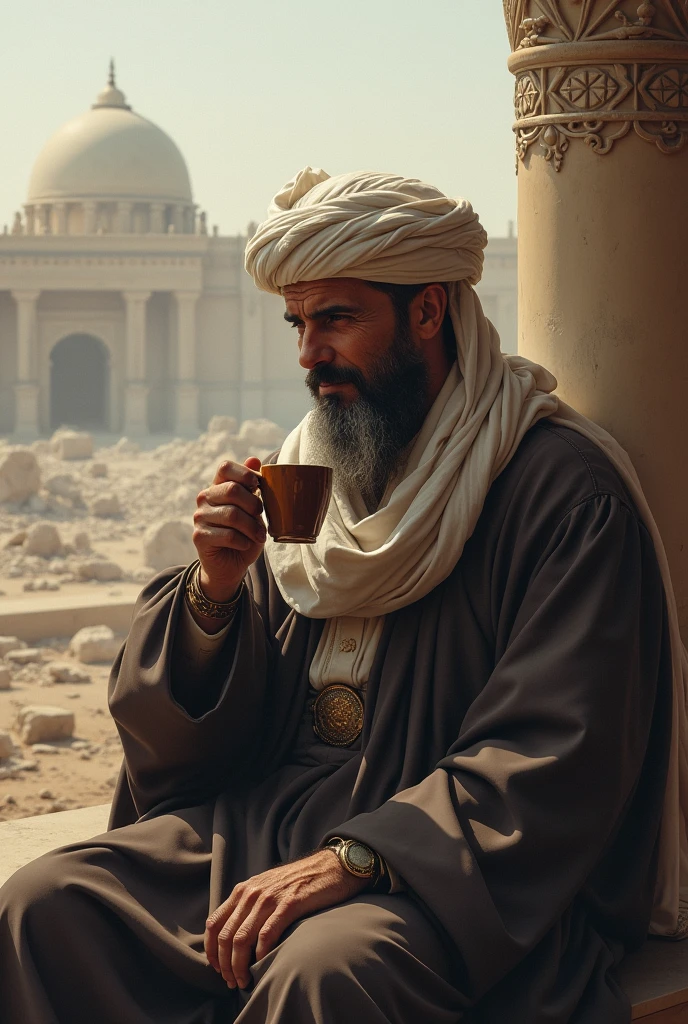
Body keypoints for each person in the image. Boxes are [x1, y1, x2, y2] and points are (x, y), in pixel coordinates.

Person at [1, 168, 686, 1024]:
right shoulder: (319, 462)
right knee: (46, 905)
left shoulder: (558, 491)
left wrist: (359, 857)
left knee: (324, 973)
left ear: (428, 311)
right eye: (297, 323)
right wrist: (215, 591)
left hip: (444, 865)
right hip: (275, 823)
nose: (307, 354)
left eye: (336, 319)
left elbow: (559, 749)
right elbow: (206, 735)